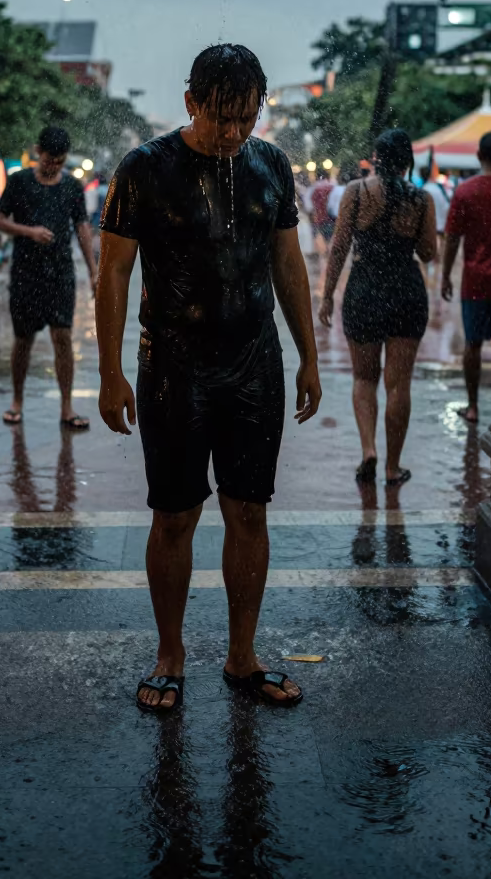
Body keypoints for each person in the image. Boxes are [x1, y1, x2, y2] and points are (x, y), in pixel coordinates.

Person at [96, 44, 321, 712]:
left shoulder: (270, 164)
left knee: (249, 510)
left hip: (255, 363)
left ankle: (242, 655)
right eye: (221, 117)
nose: (232, 133)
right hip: (173, 366)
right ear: (191, 101)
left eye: (246, 118)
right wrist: (111, 373)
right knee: (174, 516)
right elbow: (113, 274)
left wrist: (308, 353)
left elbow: (288, 265)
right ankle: (170, 653)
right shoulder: (144, 169)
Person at [319, 129, 436, 486]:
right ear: (407, 162)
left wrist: (326, 296)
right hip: (406, 291)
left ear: (375, 157)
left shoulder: (355, 193)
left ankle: (369, 450)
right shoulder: (421, 199)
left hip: (365, 290)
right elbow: (429, 252)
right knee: (398, 385)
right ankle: (392, 467)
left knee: (364, 378)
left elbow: (338, 248)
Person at [0, 126, 98, 430]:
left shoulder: (72, 187)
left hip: (61, 273)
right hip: (26, 273)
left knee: (63, 337)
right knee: (23, 340)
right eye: (50, 159)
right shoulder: (19, 182)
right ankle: (17, 402)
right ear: (38, 151)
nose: (54, 166)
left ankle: (67, 408)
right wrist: (29, 232)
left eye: (60, 161)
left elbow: (82, 229)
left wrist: (94, 272)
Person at [442, 130, 491, 424]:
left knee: (473, 345)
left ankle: (473, 406)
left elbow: (452, 238)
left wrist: (444, 276)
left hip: (475, 283)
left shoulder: (465, 191)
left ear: (479, 156)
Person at [419, 165, 450, 236]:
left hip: (430, 230)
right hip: (440, 228)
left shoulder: (424, 189)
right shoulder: (438, 188)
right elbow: (446, 206)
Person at [307, 169, 335, 250]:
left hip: (319, 218)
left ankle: (323, 253)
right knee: (330, 238)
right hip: (331, 218)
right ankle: (329, 251)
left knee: (320, 238)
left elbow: (308, 205)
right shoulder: (332, 186)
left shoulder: (313, 188)